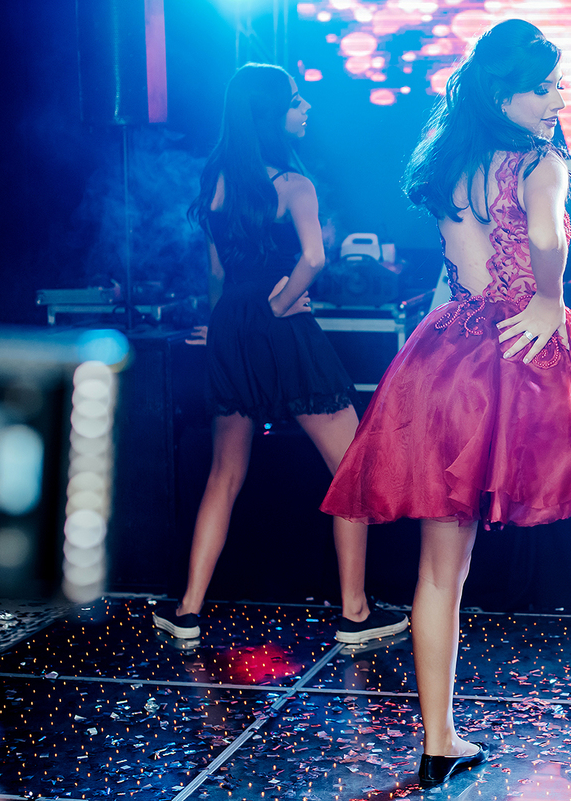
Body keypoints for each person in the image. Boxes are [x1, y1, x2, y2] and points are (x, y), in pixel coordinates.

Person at [320, 21, 571, 794]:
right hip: (525, 354)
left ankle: (439, 742)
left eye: (557, 84)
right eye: (543, 87)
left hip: (448, 357)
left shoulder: (451, 161)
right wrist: (549, 297)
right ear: (501, 92)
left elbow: (458, 272)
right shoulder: (540, 162)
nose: (559, 99)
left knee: (441, 566)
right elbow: (546, 237)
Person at [151, 63, 407, 645]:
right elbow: (313, 259)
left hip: (232, 328)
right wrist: (282, 303)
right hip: (281, 327)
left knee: (224, 474)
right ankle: (355, 613)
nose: (305, 108)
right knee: (351, 468)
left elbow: (217, 274)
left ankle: (187, 610)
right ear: (270, 114)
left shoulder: (215, 178)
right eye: (295, 101)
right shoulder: (294, 184)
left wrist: (224, 327)